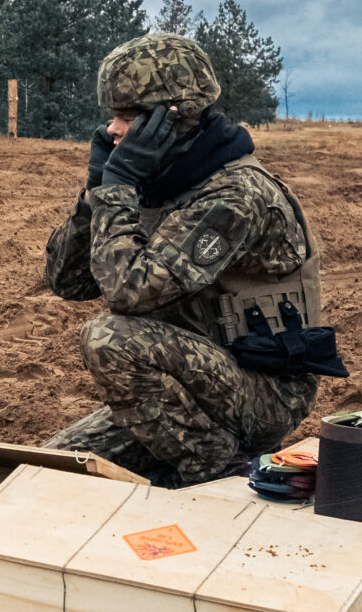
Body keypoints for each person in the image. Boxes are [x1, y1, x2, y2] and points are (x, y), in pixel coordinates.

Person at [41, 33, 327, 487]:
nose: (113, 129)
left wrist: (117, 190)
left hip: (264, 391)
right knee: (48, 470)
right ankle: (194, 448)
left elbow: (127, 293)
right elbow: (67, 280)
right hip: (194, 385)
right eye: (112, 116)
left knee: (108, 338)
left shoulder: (236, 195)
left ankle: (216, 463)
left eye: (127, 117)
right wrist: (95, 192)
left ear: (172, 121)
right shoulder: (163, 182)